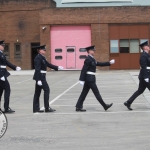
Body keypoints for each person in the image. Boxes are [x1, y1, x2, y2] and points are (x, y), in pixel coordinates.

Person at [75, 45, 115, 112]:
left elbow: (98, 63)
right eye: (93, 50)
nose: (94, 51)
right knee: (96, 93)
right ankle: (105, 106)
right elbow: (84, 69)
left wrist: (109, 63)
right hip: (90, 79)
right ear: (89, 51)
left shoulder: (92, 58)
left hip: (90, 78)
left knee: (84, 93)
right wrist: (81, 79)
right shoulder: (88, 59)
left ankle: (78, 106)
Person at [33, 45, 63, 113]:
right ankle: (46, 107)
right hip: (40, 76)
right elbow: (37, 69)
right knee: (47, 90)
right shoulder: (38, 58)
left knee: (37, 92)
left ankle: (36, 108)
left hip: (42, 76)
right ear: (39, 50)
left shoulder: (42, 57)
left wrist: (57, 67)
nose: (45, 51)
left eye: (45, 50)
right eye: (43, 50)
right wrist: (38, 80)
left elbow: (48, 64)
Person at [124, 41, 150, 110]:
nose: (149, 47)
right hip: (145, 76)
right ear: (145, 47)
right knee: (140, 91)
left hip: (144, 76)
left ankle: (128, 102)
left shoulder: (147, 55)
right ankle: (128, 102)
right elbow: (143, 67)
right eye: (148, 46)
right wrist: (146, 77)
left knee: (140, 91)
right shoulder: (144, 56)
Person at [0, 40, 21, 113]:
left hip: (2, 74)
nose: (3, 47)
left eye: (4, 45)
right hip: (1, 75)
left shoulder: (1, 54)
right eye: (2, 45)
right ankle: (6, 108)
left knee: (1, 91)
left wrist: (15, 67)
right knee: (7, 89)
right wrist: (0, 75)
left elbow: (6, 62)